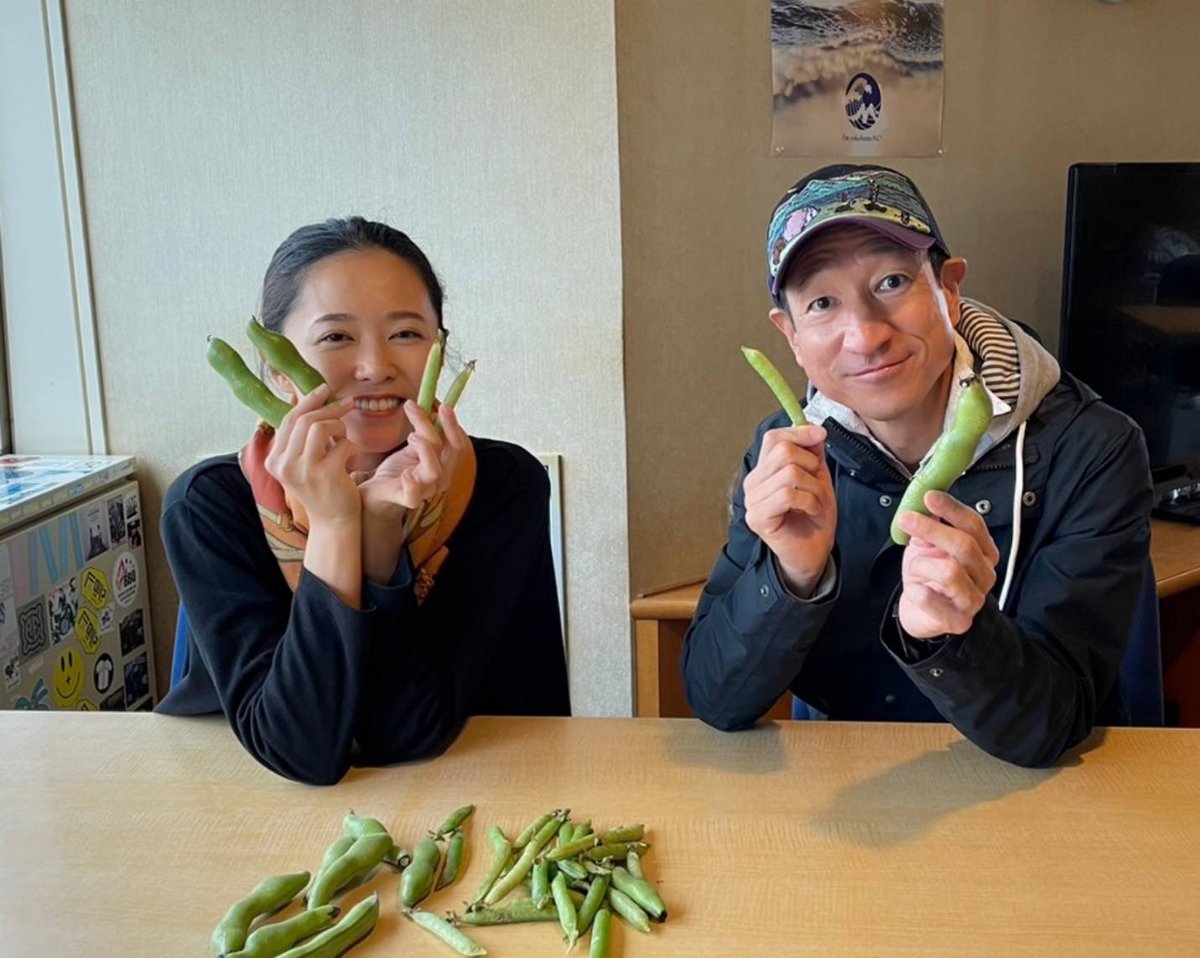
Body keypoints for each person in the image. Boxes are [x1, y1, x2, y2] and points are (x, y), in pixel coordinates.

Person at [681, 164, 1153, 767]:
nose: (865, 334)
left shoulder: (1091, 449)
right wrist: (791, 577)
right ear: (790, 335)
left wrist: (956, 636)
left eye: (893, 281)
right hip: (849, 796)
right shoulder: (785, 454)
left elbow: (1051, 727)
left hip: (1041, 806)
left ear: (949, 289)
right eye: (822, 302)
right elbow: (714, 698)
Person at [157, 217, 569, 784]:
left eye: (406, 334)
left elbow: (405, 736)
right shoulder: (209, 507)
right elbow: (300, 750)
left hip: (477, 789)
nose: (376, 367)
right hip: (241, 803)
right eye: (335, 337)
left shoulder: (503, 485)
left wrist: (377, 528)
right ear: (277, 370)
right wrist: (332, 524)